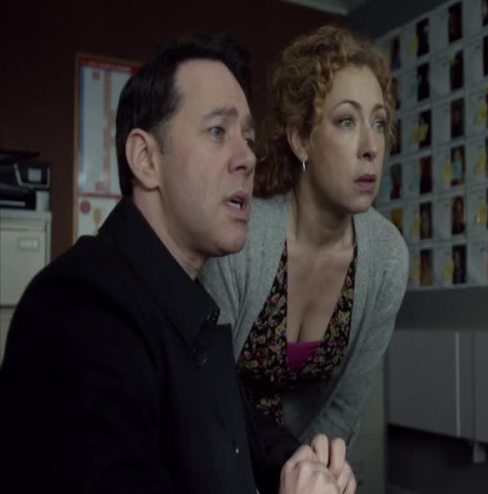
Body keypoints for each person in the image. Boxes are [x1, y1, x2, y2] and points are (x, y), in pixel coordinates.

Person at [0, 35, 349, 494]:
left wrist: (301, 462)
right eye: (218, 131)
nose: (248, 158)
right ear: (146, 159)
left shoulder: (186, 306)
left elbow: (239, 431)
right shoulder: (77, 310)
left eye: (247, 139)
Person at [200, 26, 408, 456]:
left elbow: (344, 407)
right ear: (300, 140)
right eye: (347, 121)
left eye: (379, 123)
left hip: (305, 464)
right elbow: (204, 395)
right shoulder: (241, 239)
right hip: (217, 456)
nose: (371, 147)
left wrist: (305, 472)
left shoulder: (387, 257)